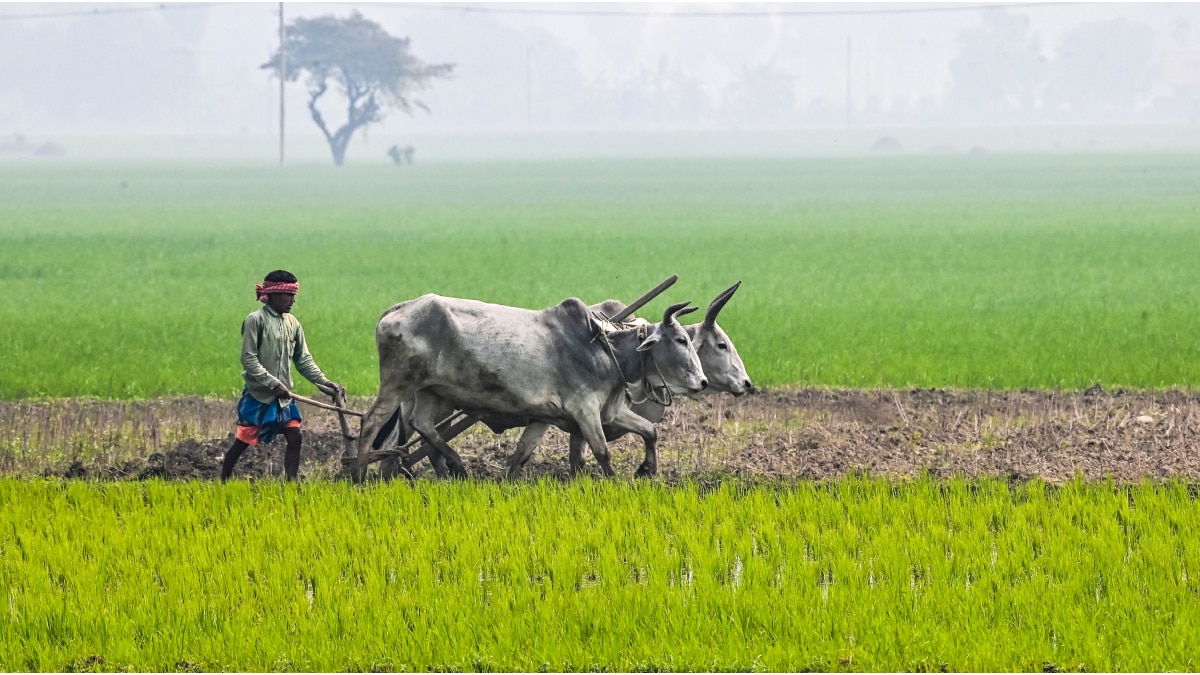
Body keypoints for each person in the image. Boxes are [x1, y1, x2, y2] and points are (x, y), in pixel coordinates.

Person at [221, 270, 342, 481]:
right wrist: (271, 382)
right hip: (259, 395)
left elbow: (303, 359)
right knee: (243, 441)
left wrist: (322, 382)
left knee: (295, 435)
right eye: (288, 295)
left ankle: (291, 484)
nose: (293, 300)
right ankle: (222, 480)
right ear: (273, 295)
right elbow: (249, 359)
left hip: (283, 397)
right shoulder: (255, 321)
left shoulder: (293, 323)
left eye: (294, 295)